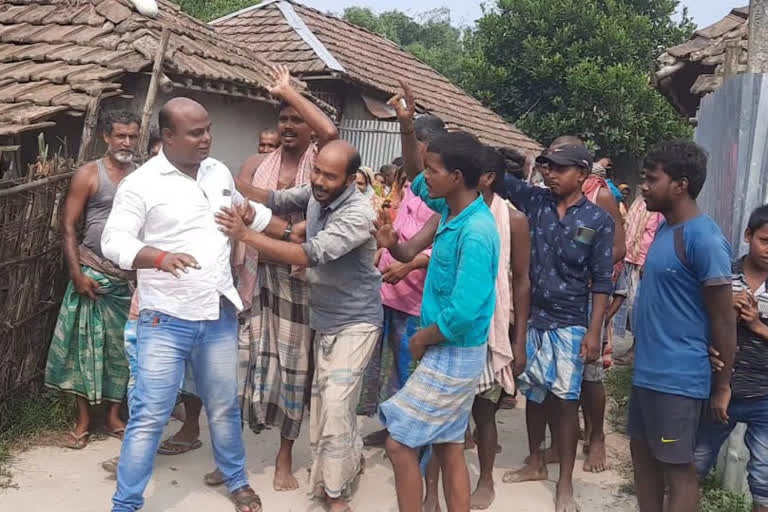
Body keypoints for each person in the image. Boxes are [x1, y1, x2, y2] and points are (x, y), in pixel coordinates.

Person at [102, 97, 298, 512]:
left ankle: (237, 480)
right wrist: (157, 257)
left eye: (208, 129)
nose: (207, 138)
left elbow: (248, 212)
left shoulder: (217, 171)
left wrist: (291, 232)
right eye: (196, 132)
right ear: (168, 136)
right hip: (164, 319)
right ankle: (126, 503)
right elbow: (113, 241)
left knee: (224, 406)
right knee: (151, 414)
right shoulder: (142, 183)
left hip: (217, 314)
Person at [217, 139, 382, 512]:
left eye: (329, 175)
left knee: (336, 404)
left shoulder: (358, 215)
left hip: (357, 321)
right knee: (326, 405)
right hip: (324, 317)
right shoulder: (318, 191)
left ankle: (336, 495)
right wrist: (233, 192)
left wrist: (247, 236)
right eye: (317, 171)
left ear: (352, 179)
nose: (319, 180)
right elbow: (276, 199)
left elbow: (309, 254)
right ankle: (345, 465)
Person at [376, 81, 499, 512]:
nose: (424, 178)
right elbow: (408, 247)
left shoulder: (477, 231)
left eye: (433, 170)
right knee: (448, 446)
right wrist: (407, 127)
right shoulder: (452, 209)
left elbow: (464, 313)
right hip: (448, 349)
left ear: (457, 177)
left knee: (397, 442)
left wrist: (421, 339)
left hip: (451, 349)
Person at [234, 64, 338, 491]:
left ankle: (284, 457)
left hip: (301, 282)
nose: (290, 125)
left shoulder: (323, 164)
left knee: (296, 370)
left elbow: (330, 132)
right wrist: (278, 229)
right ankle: (236, 460)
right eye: (284, 118)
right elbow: (235, 204)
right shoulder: (256, 163)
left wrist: (290, 92)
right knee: (249, 363)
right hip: (257, 276)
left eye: (298, 118)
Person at [500, 143, 614, 512]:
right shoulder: (536, 202)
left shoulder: (597, 220)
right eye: (547, 166)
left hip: (569, 322)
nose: (550, 173)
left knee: (565, 403)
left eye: (560, 168)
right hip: (534, 318)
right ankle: (535, 461)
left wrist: (594, 331)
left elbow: (601, 281)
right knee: (534, 395)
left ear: (582, 175)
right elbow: (496, 180)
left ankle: (565, 482)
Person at [421, 145, 531, 511]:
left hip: (488, 326)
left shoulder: (511, 220)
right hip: (451, 328)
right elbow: (416, 176)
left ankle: (485, 478)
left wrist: (518, 342)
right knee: (444, 420)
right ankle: (431, 492)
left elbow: (521, 282)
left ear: (486, 178)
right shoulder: (451, 211)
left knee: (483, 414)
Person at [629, 140, 736, 512]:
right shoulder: (664, 230)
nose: (644, 186)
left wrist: (722, 385)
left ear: (681, 184)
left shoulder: (703, 238)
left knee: (677, 469)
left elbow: (724, 317)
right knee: (643, 464)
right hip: (647, 376)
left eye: (652, 179)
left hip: (678, 382)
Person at [44, 110, 141, 449]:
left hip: (125, 279)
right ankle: (83, 420)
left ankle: (115, 416)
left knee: (121, 351)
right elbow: (68, 227)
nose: (126, 142)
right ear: (106, 137)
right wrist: (77, 274)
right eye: (120, 136)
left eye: (132, 136)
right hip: (92, 274)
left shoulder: (143, 177)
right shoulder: (89, 174)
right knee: (83, 349)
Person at [695, 204, 768, 512]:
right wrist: (723, 320)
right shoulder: (724, 276)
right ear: (747, 235)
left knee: (764, 479)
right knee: (693, 464)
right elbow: (699, 320)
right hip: (719, 390)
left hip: (764, 395)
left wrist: (757, 326)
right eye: (764, 240)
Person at [615, 194, 663, 363]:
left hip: (643, 263)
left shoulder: (660, 207)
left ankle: (637, 349)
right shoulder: (640, 201)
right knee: (629, 307)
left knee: (639, 308)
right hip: (631, 258)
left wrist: (649, 261)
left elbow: (658, 236)